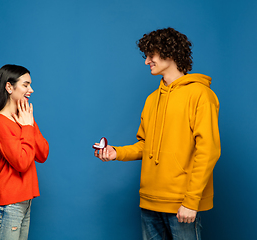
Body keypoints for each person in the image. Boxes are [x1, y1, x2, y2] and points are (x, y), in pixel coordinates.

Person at [94, 27, 220, 240]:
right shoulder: (152, 99)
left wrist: (191, 201)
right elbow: (145, 144)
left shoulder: (201, 95)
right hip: (149, 201)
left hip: (182, 203)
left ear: (169, 52)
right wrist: (116, 152)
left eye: (151, 54)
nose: (147, 61)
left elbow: (208, 151)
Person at [0, 64, 49, 240]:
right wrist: (27, 127)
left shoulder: (24, 118)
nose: (31, 90)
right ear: (9, 87)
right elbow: (22, 162)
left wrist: (29, 124)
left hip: (23, 202)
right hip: (6, 204)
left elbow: (42, 154)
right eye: (26, 84)